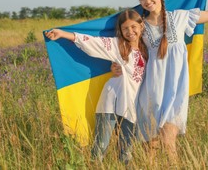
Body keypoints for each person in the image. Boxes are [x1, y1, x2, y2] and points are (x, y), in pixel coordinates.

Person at [112, 0, 208, 161]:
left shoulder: (180, 17)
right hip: (151, 91)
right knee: (150, 148)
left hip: (175, 91)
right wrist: (117, 66)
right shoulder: (141, 26)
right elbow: (130, 52)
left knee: (169, 142)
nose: (147, 1)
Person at [45, 9, 148, 164]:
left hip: (133, 106)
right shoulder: (117, 45)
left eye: (133, 27)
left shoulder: (147, 50)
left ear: (142, 26)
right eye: (125, 28)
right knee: (100, 149)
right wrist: (63, 34)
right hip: (110, 104)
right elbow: (91, 42)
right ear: (120, 30)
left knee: (127, 152)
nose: (130, 32)